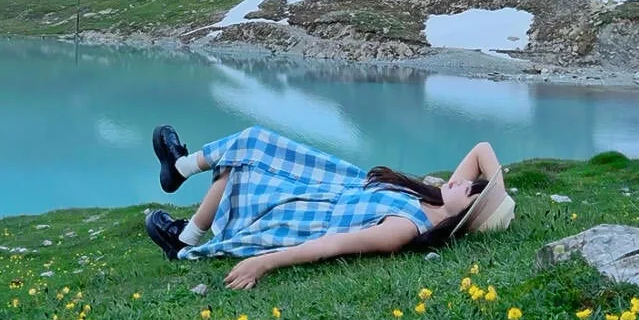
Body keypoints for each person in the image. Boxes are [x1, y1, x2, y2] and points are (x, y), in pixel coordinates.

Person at [144, 123, 515, 289]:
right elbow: (481, 148)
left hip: (307, 214)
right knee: (252, 145)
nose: (463, 180)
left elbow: (331, 246)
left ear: (462, 216)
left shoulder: (405, 228)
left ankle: (183, 229)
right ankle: (181, 198)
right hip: (326, 184)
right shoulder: (433, 200)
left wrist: (263, 263)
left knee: (237, 170)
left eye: (470, 191)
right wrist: (498, 195)